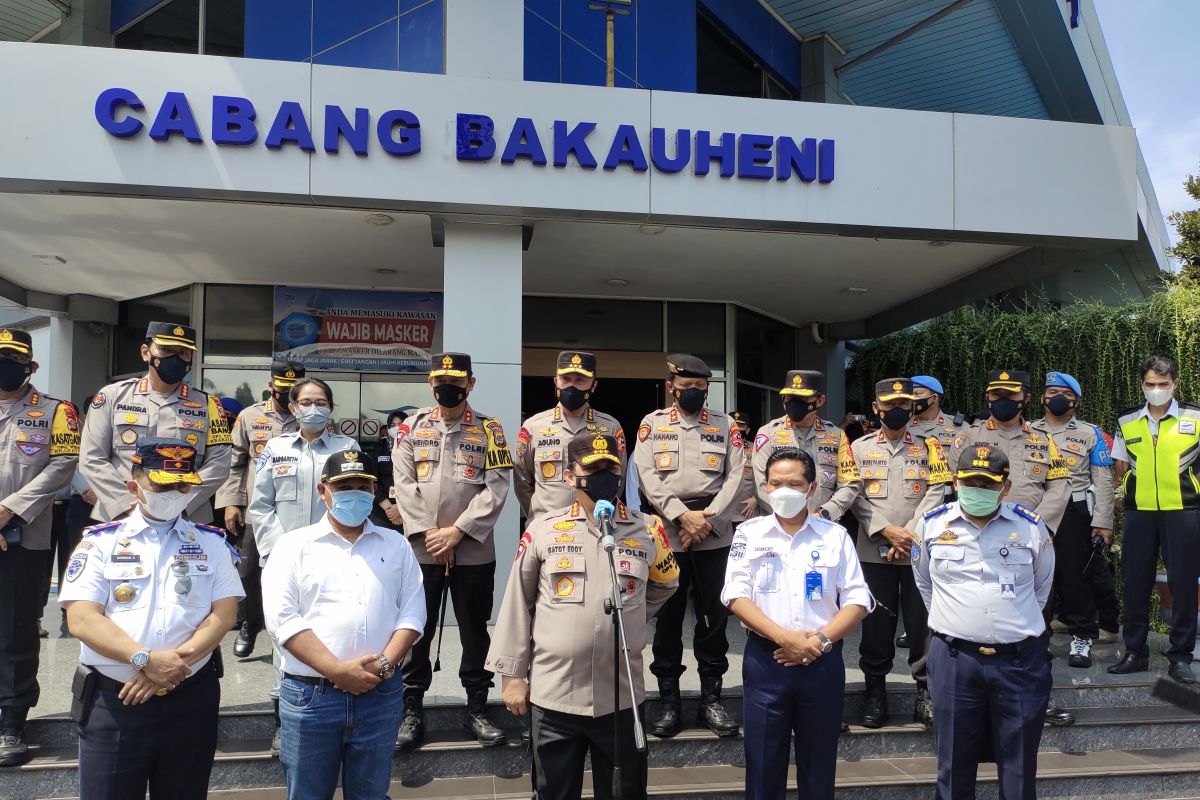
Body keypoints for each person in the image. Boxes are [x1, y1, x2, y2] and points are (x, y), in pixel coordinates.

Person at [486, 432, 679, 800]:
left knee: (625, 793)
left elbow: (666, 584)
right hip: (556, 695)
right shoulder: (542, 530)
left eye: (611, 468)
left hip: (621, 696)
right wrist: (512, 676)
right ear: (570, 476)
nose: (604, 475)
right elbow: (517, 604)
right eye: (593, 468)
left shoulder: (648, 529)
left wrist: (631, 617)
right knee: (553, 792)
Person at [59, 438, 244, 800]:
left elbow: (223, 615)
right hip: (116, 701)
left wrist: (171, 667)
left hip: (189, 696)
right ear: (134, 485)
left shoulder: (211, 543)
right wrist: (144, 659)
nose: (174, 493)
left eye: (181, 485)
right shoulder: (100, 543)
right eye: (162, 485)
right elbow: (81, 618)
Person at [261, 449, 425, 800]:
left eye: (362, 486)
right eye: (343, 486)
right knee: (308, 794)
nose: (354, 493)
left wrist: (383, 666)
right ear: (323, 491)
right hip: (311, 696)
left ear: (374, 490)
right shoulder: (293, 546)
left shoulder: (395, 544)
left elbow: (412, 613)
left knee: (371, 794)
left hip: (380, 695)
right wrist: (337, 670)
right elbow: (282, 620)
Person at [723, 447, 870, 800]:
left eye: (793, 483)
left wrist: (817, 640)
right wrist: (786, 640)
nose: (783, 490)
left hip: (822, 662)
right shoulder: (749, 533)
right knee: (762, 767)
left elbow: (858, 599)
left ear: (812, 487)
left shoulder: (834, 536)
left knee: (819, 767)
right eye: (775, 483)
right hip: (766, 663)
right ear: (765, 486)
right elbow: (735, 595)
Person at [914, 442, 1055, 800]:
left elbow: (1041, 589)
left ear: (1005, 487)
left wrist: (1007, 624)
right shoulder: (931, 525)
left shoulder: (1030, 527)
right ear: (956, 483)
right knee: (953, 764)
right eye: (970, 482)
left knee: (1020, 767)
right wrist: (961, 620)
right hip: (956, 660)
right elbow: (925, 583)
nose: (979, 490)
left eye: (988, 484)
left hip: (1020, 662)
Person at [392, 352, 512, 749]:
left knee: (476, 631)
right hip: (423, 551)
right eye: (441, 379)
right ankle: (411, 710)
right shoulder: (411, 427)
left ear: (470, 384)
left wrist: (457, 532)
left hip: (473, 550)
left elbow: (496, 488)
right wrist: (430, 533)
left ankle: (476, 708)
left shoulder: (491, 429)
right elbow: (404, 483)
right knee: (415, 630)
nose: (448, 386)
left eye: (457, 380)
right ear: (430, 382)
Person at [951, 369, 1073, 726]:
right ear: (987, 397)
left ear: (1025, 399)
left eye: (1010, 395)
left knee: (1036, 623)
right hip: (975, 544)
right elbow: (953, 487)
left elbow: (1060, 486)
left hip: (1027, 546)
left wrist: (1034, 526)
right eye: (996, 394)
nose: (1002, 401)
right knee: (976, 617)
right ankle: (978, 701)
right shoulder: (968, 436)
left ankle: (1039, 697)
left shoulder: (1043, 439)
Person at [632, 354, 745, 738]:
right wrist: (682, 516)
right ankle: (669, 700)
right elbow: (647, 476)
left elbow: (737, 476)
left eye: (699, 389)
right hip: (668, 534)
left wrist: (707, 519)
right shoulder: (652, 424)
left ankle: (711, 699)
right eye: (685, 389)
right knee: (667, 621)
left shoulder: (726, 426)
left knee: (713, 619)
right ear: (671, 388)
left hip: (713, 534)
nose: (693, 394)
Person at [248, 376, 358, 755]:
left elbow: (354, 498)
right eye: (306, 401)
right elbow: (261, 505)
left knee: (335, 633)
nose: (314, 407)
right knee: (286, 639)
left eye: (321, 401)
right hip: (284, 559)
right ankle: (284, 721)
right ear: (292, 407)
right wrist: (281, 551)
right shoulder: (274, 449)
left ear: (330, 407)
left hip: (336, 558)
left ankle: (340, 713)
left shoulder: (347, 446)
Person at [848, 379, 952, 730]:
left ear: (912, 408)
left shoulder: (931, 445)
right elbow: (853, 493)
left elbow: (938, 489)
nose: (896, 410)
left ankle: (926, 693)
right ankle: (874, 691)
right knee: (876, 622)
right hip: (873, 547)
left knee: (923, 623)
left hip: (918, 549)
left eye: (903, 404)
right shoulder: (858, 448)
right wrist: (885, 528)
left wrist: (908, 532)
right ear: (876, 408)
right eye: (889, 404)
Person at [0, 328, 81, 766]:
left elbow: (64, 465)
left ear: (31, 366)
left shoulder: (58, 411)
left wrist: (7, 511)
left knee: (16, 627)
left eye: (14, 359)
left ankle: (12, 722)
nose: (7, 365)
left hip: (25, 537)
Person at [80, 321, 232, 524]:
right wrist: (126, 503)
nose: (175, 358)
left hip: (187, 518)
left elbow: (219, 464)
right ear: (145, 352)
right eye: (166, 349)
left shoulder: (209, 405)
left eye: (183, 353)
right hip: (121, 516)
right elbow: (92, 457)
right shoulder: (112, 396)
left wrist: (177, 503)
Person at [1109, 355, 1200, 684]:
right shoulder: (1127, 421)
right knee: (1135, 582)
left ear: (1175, 384)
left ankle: (1180, 657)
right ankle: (1134, 652)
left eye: (1163, 384)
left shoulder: (1196, 417)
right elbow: (1120, 466)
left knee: (1183, 584)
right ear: (1142, 385)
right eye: (1150, 384)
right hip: (1140, 512)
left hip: (1185, 511)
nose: (1157, 390)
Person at [215, 360, 304, 660]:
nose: (288, 394)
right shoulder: (249, 416)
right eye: (283, 388)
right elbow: (235, 461)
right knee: (248, 570)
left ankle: (297, 632)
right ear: (271, 386)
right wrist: (231, 502)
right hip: (257, 510)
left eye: (294, 389)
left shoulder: (310, 416)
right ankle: (251, 622)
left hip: (297, 511)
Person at [1030, 371, 1114, 668]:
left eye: (1064, 394)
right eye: (1051, 392)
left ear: (1075, 400)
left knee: (1076, 576)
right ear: (1041, 398)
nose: (1056, 398)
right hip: (1034, 513)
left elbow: (1103, 481)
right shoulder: (1028, 430)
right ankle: (1037, 637)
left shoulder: (1090, 433)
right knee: (1034, 576)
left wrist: (1102, 522)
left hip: (1073, 512)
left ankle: (1082, 636)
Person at [514, 351, 626, 522]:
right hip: (547, 530)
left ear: (593, 385)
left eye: (580, 380)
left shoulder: (610, 427)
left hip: (593, 529)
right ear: (555, 381)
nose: (571, 387)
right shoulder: (533, 426)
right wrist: (540, 517)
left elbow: (618, 479)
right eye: (565, 379)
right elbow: (522, 482)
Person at [750, 370, 858, 520]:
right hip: (778, 527)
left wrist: (824, 514)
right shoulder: (768, 433)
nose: (793, 403)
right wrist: (789, 517)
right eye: (789, 397)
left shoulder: (836, 436)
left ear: (819, 401)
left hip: (823, 526)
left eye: (801, 398)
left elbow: (849, 483)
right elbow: (759, 483)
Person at [909, 375, 967, 457]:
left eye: (917, 394)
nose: (912, 398)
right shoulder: (902, 425)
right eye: (910, 394)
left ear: (934, 398)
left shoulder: (959, 428)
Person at [372, 409, 407, 530]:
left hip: (409, 513)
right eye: (392, 425)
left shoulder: (417, 452)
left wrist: (401, 508)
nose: (397, 428)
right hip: (382, 513)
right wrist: (389, 509)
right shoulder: (379, 450)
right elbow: (372, 483)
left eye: (401, 424)